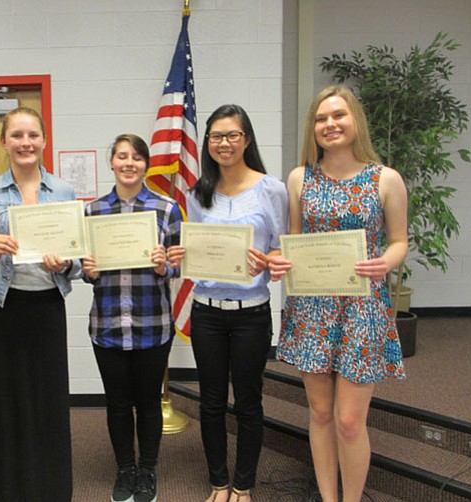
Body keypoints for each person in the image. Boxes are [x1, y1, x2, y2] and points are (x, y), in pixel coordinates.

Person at [269, 85, 408, 502]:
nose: (329, 125)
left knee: (349, 421)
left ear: (355, 121)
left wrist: (386, 261)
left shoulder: (385, 178)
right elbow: (293, 241)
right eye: (321, 118)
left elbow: (400, 242)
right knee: (321, 413)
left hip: (363, 308)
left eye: (338, 116)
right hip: (312, 306)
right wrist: (280, 260)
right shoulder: (300, 178)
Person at [168, 104, 288, 502]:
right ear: (207, 143)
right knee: (212, 401)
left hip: (252, 313)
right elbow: (195, 251)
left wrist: (270, 262)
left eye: (232, 135)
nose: (224, 143)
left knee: (249, 401)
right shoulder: (198, 192)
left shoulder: (271, 189)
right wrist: (179, 257)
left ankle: (244, 484)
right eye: (216, 136)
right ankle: (219, 482)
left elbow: (283, 254)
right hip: (206, 312)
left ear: (247, 139)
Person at [0, 106, 80, 502]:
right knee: (3, 404)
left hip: (47, 307)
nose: (25, 143)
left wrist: (66, 262)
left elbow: (80, 260)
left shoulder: (63, 192)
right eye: (16, 135)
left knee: (48, 401)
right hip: (2, 310)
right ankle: (3, 491)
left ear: (44, 141)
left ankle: (48, 490)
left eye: (33, 135)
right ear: (4, 142)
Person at [82, 133, 182, 502]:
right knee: (118, 404)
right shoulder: (92, 211)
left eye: (137, 157)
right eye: (122, 156)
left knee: (148, 401)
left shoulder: (166, 208)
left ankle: (148, 470)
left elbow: (178, 265)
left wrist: (163, 266)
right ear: (112, 162)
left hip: (152, 323)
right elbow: (83, 265)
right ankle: (125, 470)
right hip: (106, 324)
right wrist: (88, 271)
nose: (129, 163)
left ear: (146, 164)